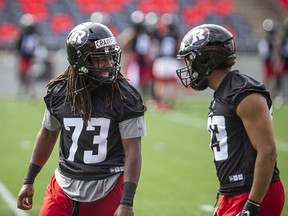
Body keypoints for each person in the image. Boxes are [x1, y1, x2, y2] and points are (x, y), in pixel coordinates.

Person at [17, 22, 147, 216]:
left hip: (108, 185)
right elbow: (47, 135)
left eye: (110, 56)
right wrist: (29, 180)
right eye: (101, 58)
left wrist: (127, 201)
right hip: (63, 184)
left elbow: (133, 150)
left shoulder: (125, 96)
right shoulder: (61, 91)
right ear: (80, 60)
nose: (109, 63)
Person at [175, 24, 285, 216]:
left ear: (206, 59)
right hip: (235, 191)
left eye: (190, 59)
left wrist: (252, 204)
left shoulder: (243, 93)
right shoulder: (225, 92)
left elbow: (267, 151)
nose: (188, 66)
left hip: (251, 190)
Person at [15, 13, 41, 96]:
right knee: (23, 75)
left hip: (30, 58)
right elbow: (19, 47)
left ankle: (30, 91)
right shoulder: (23, 35)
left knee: (29, 76)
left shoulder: (33, 36)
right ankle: (23, 91)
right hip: (25, 58)